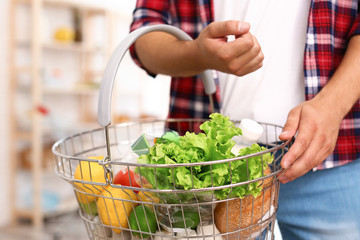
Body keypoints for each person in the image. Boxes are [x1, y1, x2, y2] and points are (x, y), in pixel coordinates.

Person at [129, 0, 360, 239]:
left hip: (329, 156)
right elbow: (145, 31)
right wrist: (198, 54)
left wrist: (333, 105)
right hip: (205, 173)